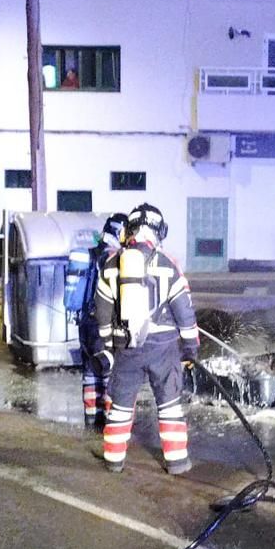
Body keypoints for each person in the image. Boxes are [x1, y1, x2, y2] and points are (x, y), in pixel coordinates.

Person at [92, 202, 201, 475]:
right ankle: (176, 462)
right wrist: (191, 349)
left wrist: (107, 346)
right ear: (158, 231)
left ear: (129, 230)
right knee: (169, 404)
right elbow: (184, 311)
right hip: (163, 349)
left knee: (120, 405)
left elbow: (102, 311)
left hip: (126, 348)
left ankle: (114, 460)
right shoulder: (167, 264)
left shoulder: (111, 265)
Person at [76, 212, 127, 429]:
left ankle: (90, 418)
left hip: (84, 322)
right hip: (101, 322)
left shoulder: (90, 253)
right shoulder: (112, 257)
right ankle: (108, 422)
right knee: (108, 372)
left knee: (90, 371)